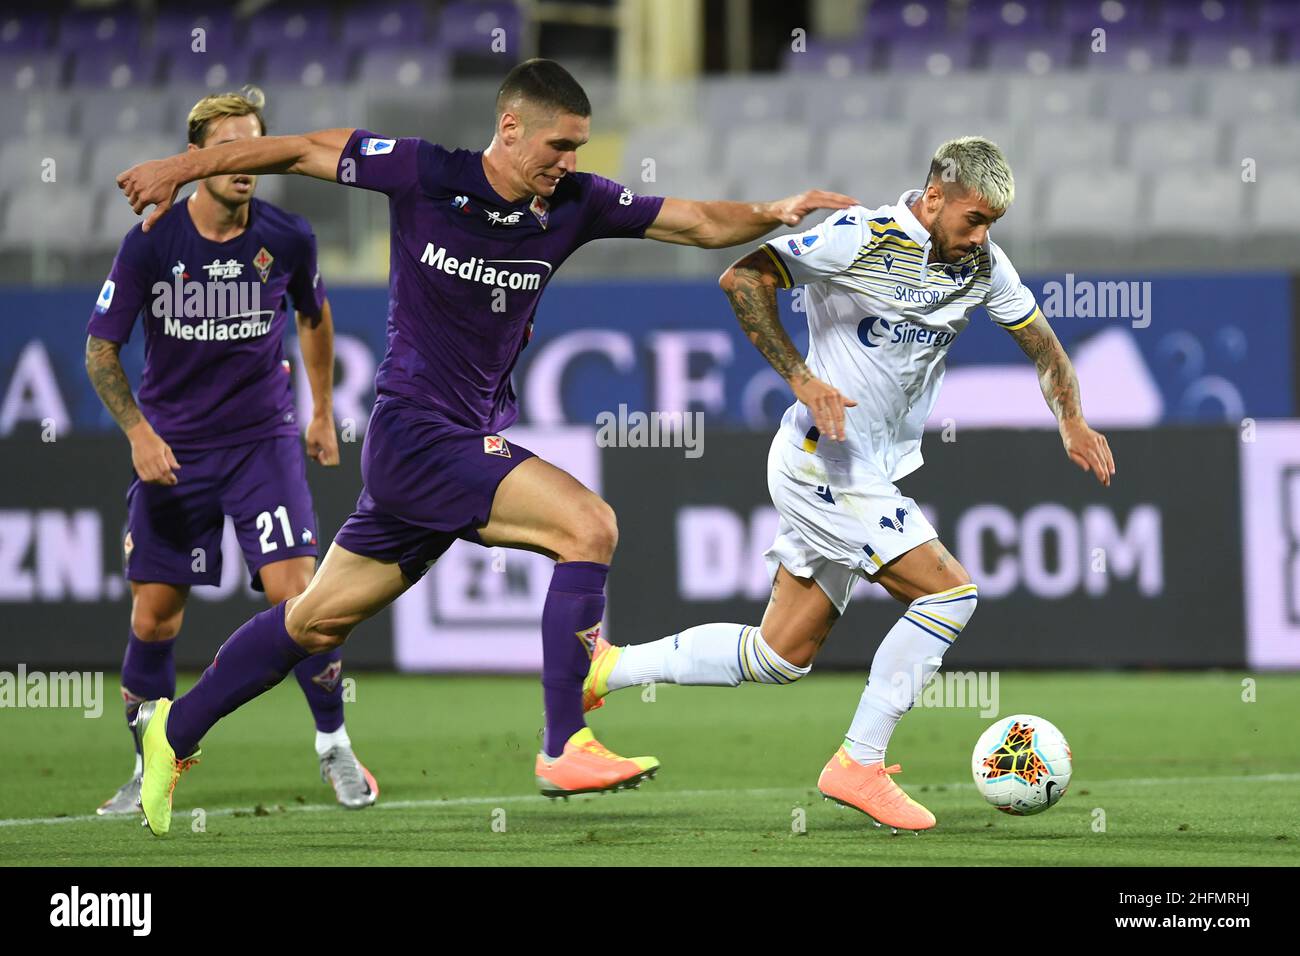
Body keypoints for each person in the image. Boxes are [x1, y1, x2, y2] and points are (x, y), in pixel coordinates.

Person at [115, 58, 856, 836]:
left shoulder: (574, 202)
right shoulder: (423, 173)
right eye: (560, 146)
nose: (571, 164)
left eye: (580, 148)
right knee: (588, 525)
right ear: (510, 128)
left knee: (314, 623)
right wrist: (180, 167)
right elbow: (297, 151)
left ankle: (174, 730)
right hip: (414, 433)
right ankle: (563, 740)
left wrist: (775, 210)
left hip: (454, 442)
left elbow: (700, 224)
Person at [582, 136, 1116, 833]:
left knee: (780, 655)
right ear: (934, 198)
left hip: (870, 467)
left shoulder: (982, 265)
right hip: (824, 460)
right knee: (950, 594)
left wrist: (1070, 420)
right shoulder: (859, 237)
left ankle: (607, 668)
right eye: (974, 219)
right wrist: (802, 377)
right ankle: (859, 761)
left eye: (992, 224)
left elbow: (1043, 344)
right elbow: (743, 279)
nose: (983, 236)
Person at [88, 88, 377, 815]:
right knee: (156, 616)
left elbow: (314, 316)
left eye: (253, 146)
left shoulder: (288, 236)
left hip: (262, 445)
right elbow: (101, 350)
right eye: (226, 148)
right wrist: (139, 433)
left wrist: (319, 411)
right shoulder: (152, 242)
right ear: (195, 160)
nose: (243, 162)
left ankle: (334, 744)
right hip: (175, 452)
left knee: (305, 599)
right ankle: (148, 766)